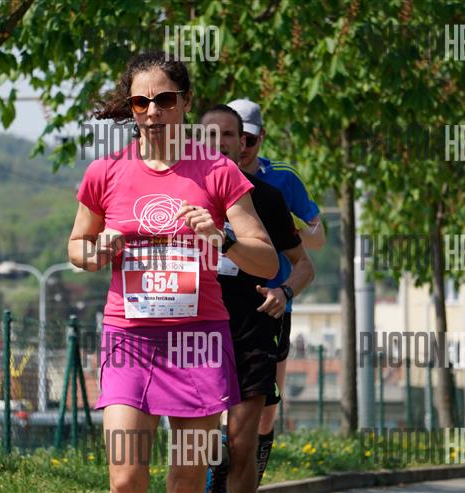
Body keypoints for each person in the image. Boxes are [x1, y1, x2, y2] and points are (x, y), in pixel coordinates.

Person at [68, 52, 279, 493]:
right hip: (129, 338)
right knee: (125, 479)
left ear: (185, 102)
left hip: (198, 340)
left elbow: (267, 261)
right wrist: (98, 251)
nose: (153, 112)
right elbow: (76, 248)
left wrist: (222, 239)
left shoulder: (218, 171)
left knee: (186, 479)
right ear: (131, 108)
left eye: (164, 100)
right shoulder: (105, 171)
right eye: (141, 102)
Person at [200, 105, 314, 493]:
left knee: (241, 446)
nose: (219, 143)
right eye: (210, 135)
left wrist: (285, 291)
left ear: (243, 144)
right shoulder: (181, 194)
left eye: (229, 135)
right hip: (194, 334)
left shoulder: (266, 197)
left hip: (251, 332)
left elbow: (303, 265)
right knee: (200, 448)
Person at [226, 99, 326, 485]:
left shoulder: (279, 182)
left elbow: (317, 239)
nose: (241, 148)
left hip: (271, 303)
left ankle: (251, 475)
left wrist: (284, 229)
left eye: (248, 140)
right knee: (219, 414)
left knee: (264, 412)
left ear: (258, 137)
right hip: (220, 305)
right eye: (224, 138)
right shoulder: (201, 179)